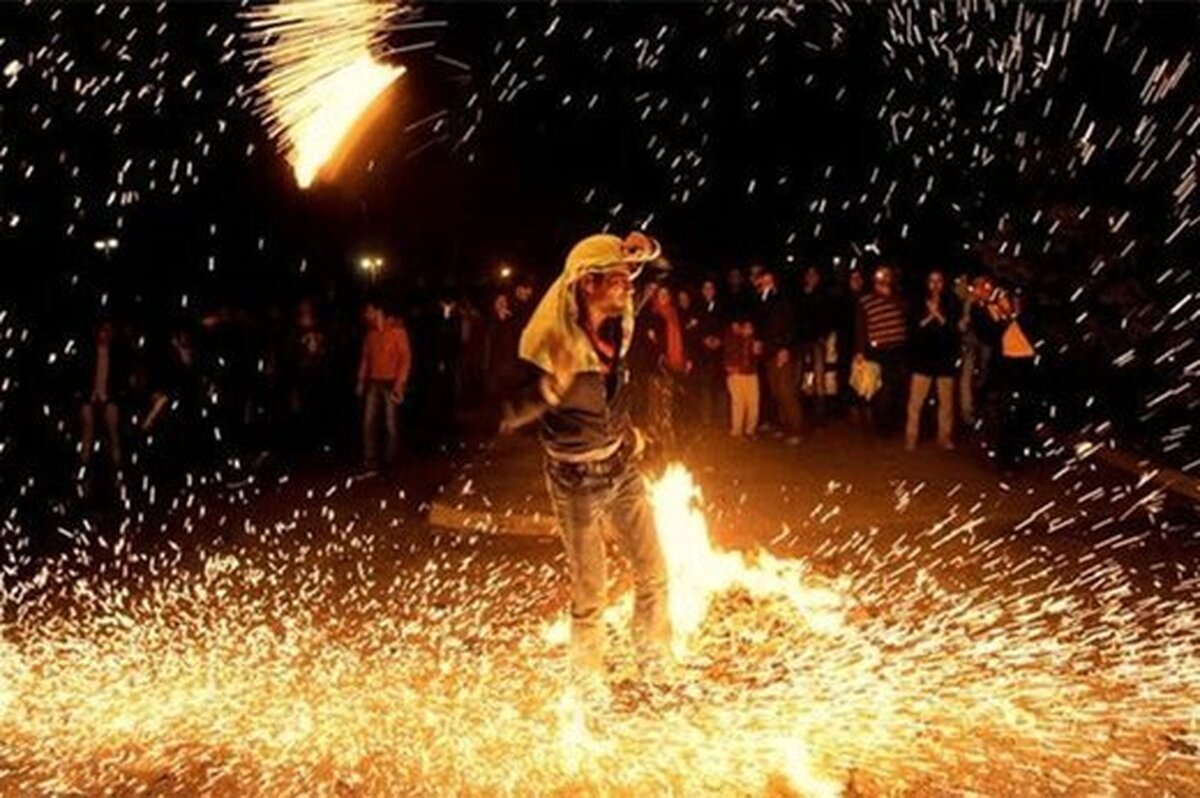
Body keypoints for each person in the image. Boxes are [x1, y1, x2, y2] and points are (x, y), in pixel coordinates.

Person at [501, 231, 672, 696]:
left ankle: (655, 668)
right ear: (587, 283)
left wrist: (645, 249)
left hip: (622, 468)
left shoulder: (619, 317)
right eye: (618, 279)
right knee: (590, 596)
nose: (629, 286)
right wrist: (548, 391)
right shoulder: (547, 340)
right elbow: (507, 412)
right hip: (576, 481)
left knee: (654, 573)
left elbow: (658, 271)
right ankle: (587, 691)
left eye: (626, 278)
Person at [972, 276, 1040, 472]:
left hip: (1027, 362)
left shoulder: (1012, 301)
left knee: (1026, 410)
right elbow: (990, 335)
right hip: (1005, 366)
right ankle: (1006, 461)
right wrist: (1006, 315)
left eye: (986, 285)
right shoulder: (979, 311)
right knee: (1005, 414)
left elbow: (1031, 326)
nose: (984, 289)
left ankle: (1023, 451)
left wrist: (1015, 310)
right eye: (978, 287)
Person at [905, 269, 960, 451]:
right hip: (923, 358)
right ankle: (911, 436)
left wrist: (938, 314)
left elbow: (953, 329)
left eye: (939, 281)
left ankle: (944, 437)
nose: (935, 285)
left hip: (945, 359)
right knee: (916, 402)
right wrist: (930, 315)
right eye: (932, 281)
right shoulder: (917, 302)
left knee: (946, 403)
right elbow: (914, 328)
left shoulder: (952, 302)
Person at [357, 297, 412, 469]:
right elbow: (365, 359)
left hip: (390, 382)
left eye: (369, 311)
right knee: (368, 421)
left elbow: (405, 358)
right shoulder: (370, 334)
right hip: (374, 381)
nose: (366, 315)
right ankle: (370, 457)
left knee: (391, 423)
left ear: (378, 311)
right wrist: (360, 380)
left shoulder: (397, 332)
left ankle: (391, 458)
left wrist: (400, 383)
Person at [854, 265, 908, 436]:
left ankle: (894, 423)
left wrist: (890, 296)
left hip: (897, 348)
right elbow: (861, 327)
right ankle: (881, 426)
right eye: (880, 275)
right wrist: (860, 350)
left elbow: (906, 312)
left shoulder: (898, 297)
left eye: (887, 274)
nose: (884, 278)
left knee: (897, 387)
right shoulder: (865, 301)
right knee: (880, 388)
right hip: (878, 350)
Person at [77, 319, 130, 485]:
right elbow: (81, 378)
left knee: (113, 427)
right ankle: (83, 467)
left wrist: (109, 397)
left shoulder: (117, 355)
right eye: (102, 331)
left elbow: (120, 380)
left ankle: (118, 467)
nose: (105, 335)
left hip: (109, 397)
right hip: (90, 397)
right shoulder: (88, 353)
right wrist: (89, 396)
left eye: (108, 331)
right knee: (88, 427)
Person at [755, 268, 803, 444]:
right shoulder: (762, 300)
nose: (766, 282)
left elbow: (790, 324)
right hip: (769, 352)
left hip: (782, 351)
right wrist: (759, 341)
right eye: (763, 279)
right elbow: (762, 324)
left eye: (769, 279)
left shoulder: (782, 299)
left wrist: (785, 348)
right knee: (776, 391)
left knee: (786, 391)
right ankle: (785, 426)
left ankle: (796, 430)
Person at [795, 264, 833, 423]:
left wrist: (823, 335)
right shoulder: (799, 295)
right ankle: (796, 409)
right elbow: (795, 317)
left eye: (814, 274)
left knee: (819, 375)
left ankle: (820, 412)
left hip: (817, 340)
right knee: (797, 375)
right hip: (801, 339)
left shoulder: (823, 295)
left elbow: (828, 316)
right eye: (808, 274)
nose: (811, 277)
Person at [693, 279, 726, 428]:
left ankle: (721, 418)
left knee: (720, 388)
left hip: (719, 354)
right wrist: (703, 339)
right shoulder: (697, 308)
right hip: (702, 355)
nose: (708, 291)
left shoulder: (722, 307)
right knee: (705, 388)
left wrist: (719, 339)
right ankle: (705, 419)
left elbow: (725, 327)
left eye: (710, 288)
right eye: (705, 288)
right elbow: (694, 329)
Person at [724, 315, 760, 438]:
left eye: (750, 328)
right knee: (738, 403)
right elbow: (728, 356)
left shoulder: (754, 342)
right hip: (737, 374)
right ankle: (736, 430)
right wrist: (730, 367)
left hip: (751, 374)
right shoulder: (733, 340)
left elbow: (757, 358)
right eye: (746, 328)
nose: (748, 330)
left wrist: (757, 352)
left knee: (753, 403)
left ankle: (750, 430)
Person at [483, 291, 522, 401]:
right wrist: (498, 319)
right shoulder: (490, 319)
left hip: (510, 364)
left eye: (504, 301)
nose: (503, 304)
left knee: (509, 394)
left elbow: (517, 337)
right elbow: (490, 338)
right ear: (494, 304)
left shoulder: (513, 318)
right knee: (495, 396)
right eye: (499, 301)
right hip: (495, 365)